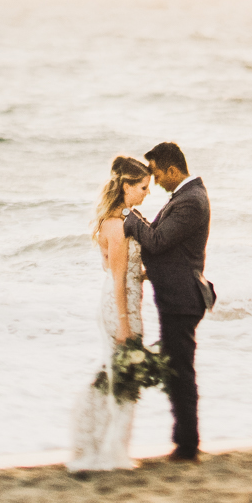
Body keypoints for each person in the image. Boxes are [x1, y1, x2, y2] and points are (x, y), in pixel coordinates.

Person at [123, 141, 212, 462]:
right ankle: (184, 440)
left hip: (183, 297)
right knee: (176, 368)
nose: (156, 181)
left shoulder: (192, 201)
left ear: (173, 170)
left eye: (158, 174)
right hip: (177, 296)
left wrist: (130, 218)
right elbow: (167, 245)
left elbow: (158, 242)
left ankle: (187, 445)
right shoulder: (185, 198)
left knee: (181, 370)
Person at [66, 155, 151, 472]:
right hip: (120, 307)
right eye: (142, 187)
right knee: (124, 375)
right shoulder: (115, 226)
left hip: (125, 301)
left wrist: (142, 275)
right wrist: (125, 323)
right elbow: (116, 277)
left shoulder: (121, 220)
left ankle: (103, 444)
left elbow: (124, 271)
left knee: (117, 374)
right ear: (126, 186)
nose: (146, 193)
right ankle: (109, 450)